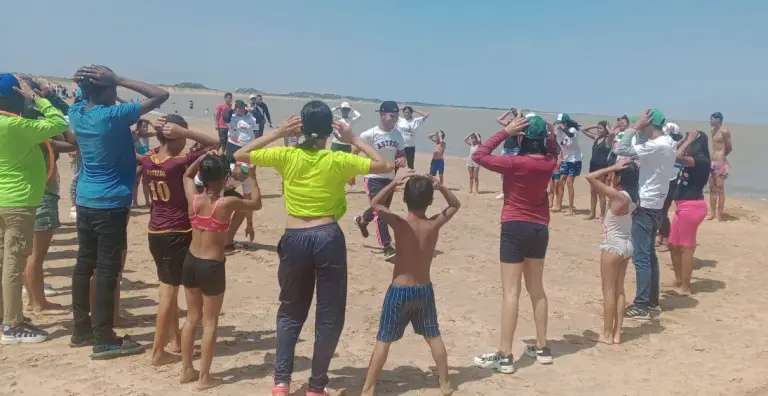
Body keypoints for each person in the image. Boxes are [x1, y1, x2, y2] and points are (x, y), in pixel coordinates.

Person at [233, 100, 393, 396]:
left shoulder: (287, 155)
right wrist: (354, 139)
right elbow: (385, 165)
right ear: (329, 130)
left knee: (290, 311)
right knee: (329, 313)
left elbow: (241, 153)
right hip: (327, 236)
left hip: (294, 237)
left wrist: (278, 132)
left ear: (302, 127)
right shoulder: (337, 159)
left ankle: (282, 382)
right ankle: (316, 385)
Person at [68, 65, 169, 358]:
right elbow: (161, 94)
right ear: (105, 89)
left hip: (86, 199)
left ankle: (81, 330)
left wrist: (88, 86)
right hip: (110, 202)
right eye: (113, 87)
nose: (117, 91)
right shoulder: (111, 115)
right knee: (107, 271)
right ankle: (103, 337)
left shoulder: (79, 113)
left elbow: (82, 98)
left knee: (83, 264)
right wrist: (119, 78)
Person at [471, 115, 559, 373]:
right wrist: (551, 136)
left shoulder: (514, 162)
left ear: (521, 137)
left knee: (511, 292)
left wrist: (504, 132)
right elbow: (554, 149)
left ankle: (505, 355)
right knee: (537, 289)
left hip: (514, 226)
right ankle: (542, 348)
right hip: (539, 228)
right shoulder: (549, 162)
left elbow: (480, 155)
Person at [361, 172, 460, 396]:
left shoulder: (400, 224)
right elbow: (455, 204)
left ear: (404, 199)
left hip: (399, 290)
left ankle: (368, 388)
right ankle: (445, 383)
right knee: (433, 335)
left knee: (384, 339)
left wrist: (394, 183)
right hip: (424, 289)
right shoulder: (434, 223)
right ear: (430, 200)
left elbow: (375, 203)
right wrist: (440, 185)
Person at [137, 115, 219, 366]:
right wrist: (186, 130)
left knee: (167, 286)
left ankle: (174, 340)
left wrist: (159, 128)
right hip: (177, 231)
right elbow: (215, 142)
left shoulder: (148, 157)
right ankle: (157, 352)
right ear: (176, 137)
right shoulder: (178, 162)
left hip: (155, 231)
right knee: (168, 293)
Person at [179, 153, 262, 390]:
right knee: (211, 321)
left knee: (191, 317)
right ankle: (205, 377)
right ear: (225, 178)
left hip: (191, 260)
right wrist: (253, 177)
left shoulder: (193, 198)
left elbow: (187, 175)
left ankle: (187, 369)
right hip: (212, 265)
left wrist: (203, 158)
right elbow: (256, 203)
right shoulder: (226, 203)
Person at [0, 74, 69, 344]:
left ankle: (7, 314)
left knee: (4, 262)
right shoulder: (16, 125)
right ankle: (12, 324)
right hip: (17, 202)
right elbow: (59, 122)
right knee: (13, 264)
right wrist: (37, 97)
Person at [613, 109, 676, 321]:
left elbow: (622, 148)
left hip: (646, 204)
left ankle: (641, 304)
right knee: (650, 255)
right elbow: (639, 146)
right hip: (658, 204)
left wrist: (635, 127)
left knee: (641, 258)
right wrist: (641, 129)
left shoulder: (655, 145)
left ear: (649, 123)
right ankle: (652, 302)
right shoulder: (668, 142)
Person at [23, 127, 77, 315]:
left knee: (27, 255)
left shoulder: (17, 138)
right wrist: (56, 126)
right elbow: (73, 143)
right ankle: (39, 304)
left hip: (23, 197)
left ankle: (33, 300)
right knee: (36, 257)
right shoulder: (43, 141)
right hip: (42, 195)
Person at [585, 158, 639, 345]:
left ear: (620, 176)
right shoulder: (633, 196)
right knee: (619, 290)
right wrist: (616, 171)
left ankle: (607, 334)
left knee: (608, 291)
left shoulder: (619, 196)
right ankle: (617, 333)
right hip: (626, 245)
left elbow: (590, 177)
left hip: (613, 246)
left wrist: (612, 167)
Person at [353, 101, 407, 260]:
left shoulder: (398, 135)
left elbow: (401, 153)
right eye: (392, 115)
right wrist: (351, 173)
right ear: (382, 115)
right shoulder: (369, 134)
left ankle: (362, 221)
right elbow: (353, 153)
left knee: (380, 209)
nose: (395, 119)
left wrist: (402, 159)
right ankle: (387, 246)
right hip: (373, 178)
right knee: (382, 212)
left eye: (397, 116)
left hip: (390, 178)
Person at [667, 131, 711, 295]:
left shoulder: (701, 161)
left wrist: (688, 141)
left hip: (692, 207)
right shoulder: (692, 159)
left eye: (692, 142)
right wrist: (685, 139)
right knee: (672, 244)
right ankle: (679, 280)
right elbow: (673, 154)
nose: (688, 145)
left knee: (686, 247)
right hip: (682, 206)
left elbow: (677, 156)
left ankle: (686, 286)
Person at [194, 161, 256, 249]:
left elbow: (248, 202)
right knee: (218, 211)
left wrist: (249, 224)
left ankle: (228, 241)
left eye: (248, 172)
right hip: (202, 186)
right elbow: (218, 203)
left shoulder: (247, 178)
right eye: (244, 171)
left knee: (242, 206)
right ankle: (210, 240)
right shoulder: (224, 172)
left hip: (222, 191)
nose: (245, 175)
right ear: (236, 166)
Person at [657, 123, 683, 252]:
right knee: (659, 210)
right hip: (662, 180)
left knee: (663, 211)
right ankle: (661, 235)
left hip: (671, 181)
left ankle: (666, 239)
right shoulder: (668, 144)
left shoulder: (674, 147)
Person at [581, 121, 615, 220]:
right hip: (593, 167)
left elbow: (612, 134)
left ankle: (602, 215)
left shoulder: (608, 141)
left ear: (605, 130)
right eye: (598, 128)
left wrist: (608, 128)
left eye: (600, 128)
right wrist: (595, 125)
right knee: (592, 192)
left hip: (602, 168)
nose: (598, 130)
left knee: (601, 193)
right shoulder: (596, 138)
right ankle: (592, 213)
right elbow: (583, 129)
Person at [552, 113, 583, 215]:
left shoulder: (572, 130)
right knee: (561, 181)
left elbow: (567, 141)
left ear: (565, 123)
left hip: (575, 159)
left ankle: (570, 208)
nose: (558, 125)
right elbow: (558, 141)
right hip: (566, 159)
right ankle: (558, 205)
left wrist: (562, 129)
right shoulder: (560, 132)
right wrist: (555, 129)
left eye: (560, 123)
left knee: (569, 183)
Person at [707, 112, 732, 221]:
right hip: (712, 161)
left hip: (720, 161)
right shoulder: (713, 131)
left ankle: (720, 213)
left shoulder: (724, 131)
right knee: (712, 187)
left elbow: (729, 148)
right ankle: (712, 212)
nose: (710, 121)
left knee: (720, 188)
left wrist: (722, 157)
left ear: (718, 119)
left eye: (712, 119)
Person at [495, 108, 521, 199]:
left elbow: (518, 119)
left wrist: (518, 113)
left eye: (511, 116)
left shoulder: (518, 125)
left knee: (514, 171)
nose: (510, 117)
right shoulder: (507, 125)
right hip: (506, 149)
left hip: (515, 149)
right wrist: (508, 111)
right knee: (503, 171)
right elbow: (498, 119)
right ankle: (503, 192)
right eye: (509, 116)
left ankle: (514, 192)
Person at [397, 105, 430, 170]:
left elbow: (426, 115)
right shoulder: (400, 119)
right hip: (400, 146)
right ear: (403, 113)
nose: (407, 114)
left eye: (408, 112)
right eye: (405, 112)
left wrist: (414, 109)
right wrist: (402, 108)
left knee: (411, 165)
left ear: (411, 113)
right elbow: (391, 112)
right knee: (398, 163)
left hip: (410, 146)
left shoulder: (415, 121)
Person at [132, 119, 154, 208]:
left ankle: (147, 201)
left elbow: (158, 132)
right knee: (136, 182)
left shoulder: (147, 135)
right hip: (138, 161)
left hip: (147, 161)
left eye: (147, 127)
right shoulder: (136, 136)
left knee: (146, 182)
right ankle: (135, 202)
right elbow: (133, 130)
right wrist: (138, 122)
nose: (146, 129)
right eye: (143, 127)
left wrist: (150, 122)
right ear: (139, 127)